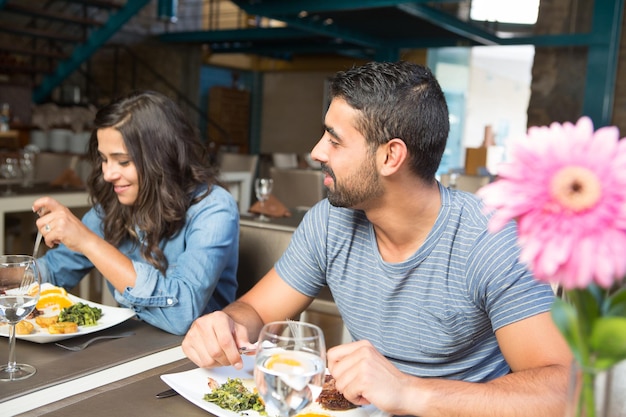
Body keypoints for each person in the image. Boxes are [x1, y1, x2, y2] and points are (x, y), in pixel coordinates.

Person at [182, 61, 572, 416]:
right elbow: (258, 313)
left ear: (390, 157)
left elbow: (564, 391)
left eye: (334, 140)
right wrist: (226, 325)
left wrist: (408, 392)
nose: (317, 151)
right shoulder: (329, 223)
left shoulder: (489, 239)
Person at [33, 90, 239, 336]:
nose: (108, 174)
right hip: (129, 349)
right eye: (104, 159)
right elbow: (53, 272)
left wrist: (88, 241)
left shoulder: (213, 208)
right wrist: (8, 275)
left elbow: (181, 313)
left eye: (122, 162)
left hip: (197, 361)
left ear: (160, 158)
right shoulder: (113, 205)